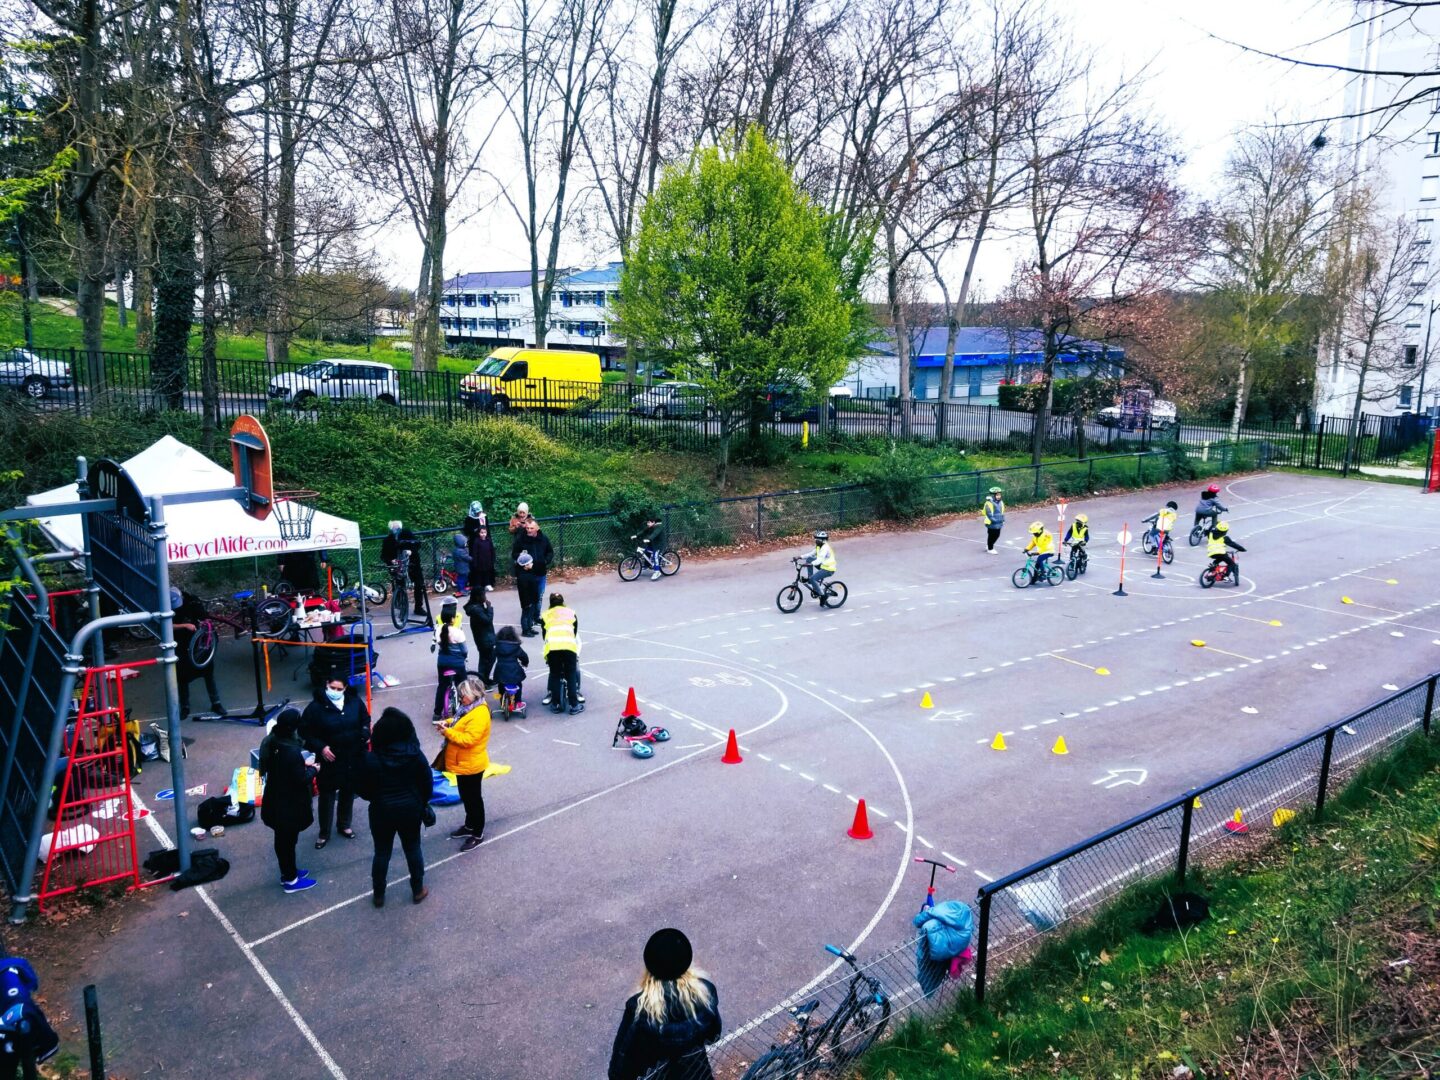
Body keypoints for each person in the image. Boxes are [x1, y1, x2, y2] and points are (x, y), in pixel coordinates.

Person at [608, 928, 722, 1080]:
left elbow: (620, 1068)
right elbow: (714, 1035)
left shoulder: (640, 1010)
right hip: (698, 1075)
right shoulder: (706, 993)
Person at [356, 707, 431, 907]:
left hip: (381, 811)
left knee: (381, 853)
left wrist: (377, 797)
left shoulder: (372, 759)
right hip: (410, 810)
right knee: (413, 848)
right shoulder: (415, 755)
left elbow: (362, 789)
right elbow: (427, 784)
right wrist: (420, 802)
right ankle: (417, 889)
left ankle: (379, 894)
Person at [300, 676, 371, 849]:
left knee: (348, 792)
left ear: (345, 688)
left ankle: (344, 825)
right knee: (327, 796)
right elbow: (305, 732)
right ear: (326, 685)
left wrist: (364, 733)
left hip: (351, 757)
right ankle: (324, 832)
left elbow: (365, 720)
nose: (336, 692)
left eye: (339, 689)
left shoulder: (354, 702)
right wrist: (321, 747)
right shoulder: (315, 708)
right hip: (329, 760)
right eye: (333, 687)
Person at [258, 707, 318, 894]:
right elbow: (300, 778)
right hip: (288, 805)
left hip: (275, 800)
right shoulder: (290, 752)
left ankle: (289, 871)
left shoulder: (271, 742)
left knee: (284, 841)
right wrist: (313, 769)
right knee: (287, 842)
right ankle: (290, 880)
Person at [434, 676, 490, 851]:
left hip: (472, 764)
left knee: (473, 799)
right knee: (466, 796)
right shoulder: (469, 708)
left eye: (464, 695)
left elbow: (468, 739)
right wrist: (448, 722)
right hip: (463, 763)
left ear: (474, 695)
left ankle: (477, 833)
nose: (461, 698)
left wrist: (448, 733)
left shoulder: (480, 713)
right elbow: (460, 722)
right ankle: (469, 825)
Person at [170, 586, 225, 719]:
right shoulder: (165, 605)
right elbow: (164, 625)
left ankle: (216, 702)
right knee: (182, 677)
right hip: (180, 644)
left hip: (198, 643)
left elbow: (204, 618)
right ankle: (185, 706)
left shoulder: (193, 602)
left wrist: (204, 625)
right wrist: (184, 626)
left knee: (208, 673)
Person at [541, 592, 583, 714]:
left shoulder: (545, 615)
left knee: (554, 674)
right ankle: (574, 706)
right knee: (570, 674)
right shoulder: (571, 612)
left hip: (553, 647)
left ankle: (555, 704)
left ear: (550, 603)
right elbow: (574, 632)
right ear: (563, 602)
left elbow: (544, 635)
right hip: (568, 646)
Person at [512, 520, 554, 635]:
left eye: (531, 528)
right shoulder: (521, 540)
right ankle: (527, 625)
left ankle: (535, 617)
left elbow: (550, 552)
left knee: (538, 598)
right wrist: (521, 560)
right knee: (528, 602)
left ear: (537, 529)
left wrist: (545, 561)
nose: (529, 530)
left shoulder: (543, 539)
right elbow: (514, 554)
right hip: (527, 575)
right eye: (527, 528)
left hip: (540, 573)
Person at [380, 520, 427, 621]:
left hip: (412, 563)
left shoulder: (407, 533)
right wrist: (391, 560)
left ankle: (418, 607)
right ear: (390, 528)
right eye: (394, 528)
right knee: (400, 586)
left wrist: (411, 551)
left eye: (397, 528)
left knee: (419, 584)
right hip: (397, 565)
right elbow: (383, 556)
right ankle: (402, 608)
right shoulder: (388, 540)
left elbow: (417, 544)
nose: (396, 530)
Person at [431, 599, 468, 721]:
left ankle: (437, 714)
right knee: (462, 685)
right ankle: (466, 709)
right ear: (453, 619)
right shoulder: (458, 632)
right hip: (457, 663)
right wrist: (463, 657)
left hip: (442, 662)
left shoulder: (438, 631)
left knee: (442, 686)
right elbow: (464, 650)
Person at [464, 591, 498, 687]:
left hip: (481, 638)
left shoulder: (475, 607)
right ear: (478, 597)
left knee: (484, 659)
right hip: (485, 639)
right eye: (483, 595)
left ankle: (484, 679)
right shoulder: (477, 610)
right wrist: (490, 608)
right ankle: (483, 681)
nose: (485, 597)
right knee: (489, 659)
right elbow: (487, 620)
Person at [493, 626, 530, 708]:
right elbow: (524, 656)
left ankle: (502, 702)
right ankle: (518, 702)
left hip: (500, 670)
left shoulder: (497, 647)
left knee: (501, 685)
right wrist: (525, 663)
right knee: (518, 684)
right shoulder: (516, 647)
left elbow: (491, 657)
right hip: (514, 670)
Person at [469, 521, 497, 594]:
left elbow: (492, 550)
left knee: (487, 573)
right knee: (479, 574)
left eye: (485, 532)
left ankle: (487, 584)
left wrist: (493, 558)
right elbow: (474, 552)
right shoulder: (476, 541)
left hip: (488, 561)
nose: (483, 534)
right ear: (479, 533)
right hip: (479, 562)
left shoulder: (489, 540)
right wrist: (475, 562)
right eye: (481, 532)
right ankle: (479, 586)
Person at [981, 485, 1005, 554]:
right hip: (991, 522)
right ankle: (990, 549)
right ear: (993, 496)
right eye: (997, 495)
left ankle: (989, 545)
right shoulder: (988, 503)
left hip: (999, 522)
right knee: (992, 535)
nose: (998, 496)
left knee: (997, 535)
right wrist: (994, 521)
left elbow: (1002, 512)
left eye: (999, 495)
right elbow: (989, 514)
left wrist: (1003, 520)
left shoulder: (1001, 502)